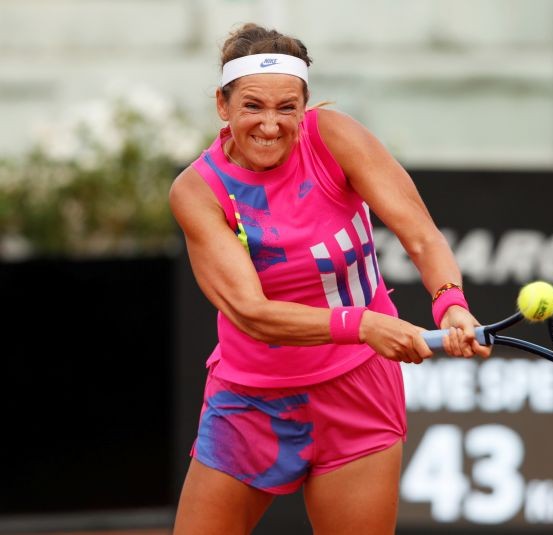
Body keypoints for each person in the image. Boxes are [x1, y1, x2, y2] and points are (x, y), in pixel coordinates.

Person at [169, 22, 491, 535]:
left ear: (305, 105)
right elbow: (252, 314)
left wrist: (449, 301)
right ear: (222, 106)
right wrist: (364, 324)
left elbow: (422, 236)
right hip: (253, 398)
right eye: (252, 106)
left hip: (357, 388)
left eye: (286, 107)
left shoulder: (334, 136)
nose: (270, 124)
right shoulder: (198, 190)